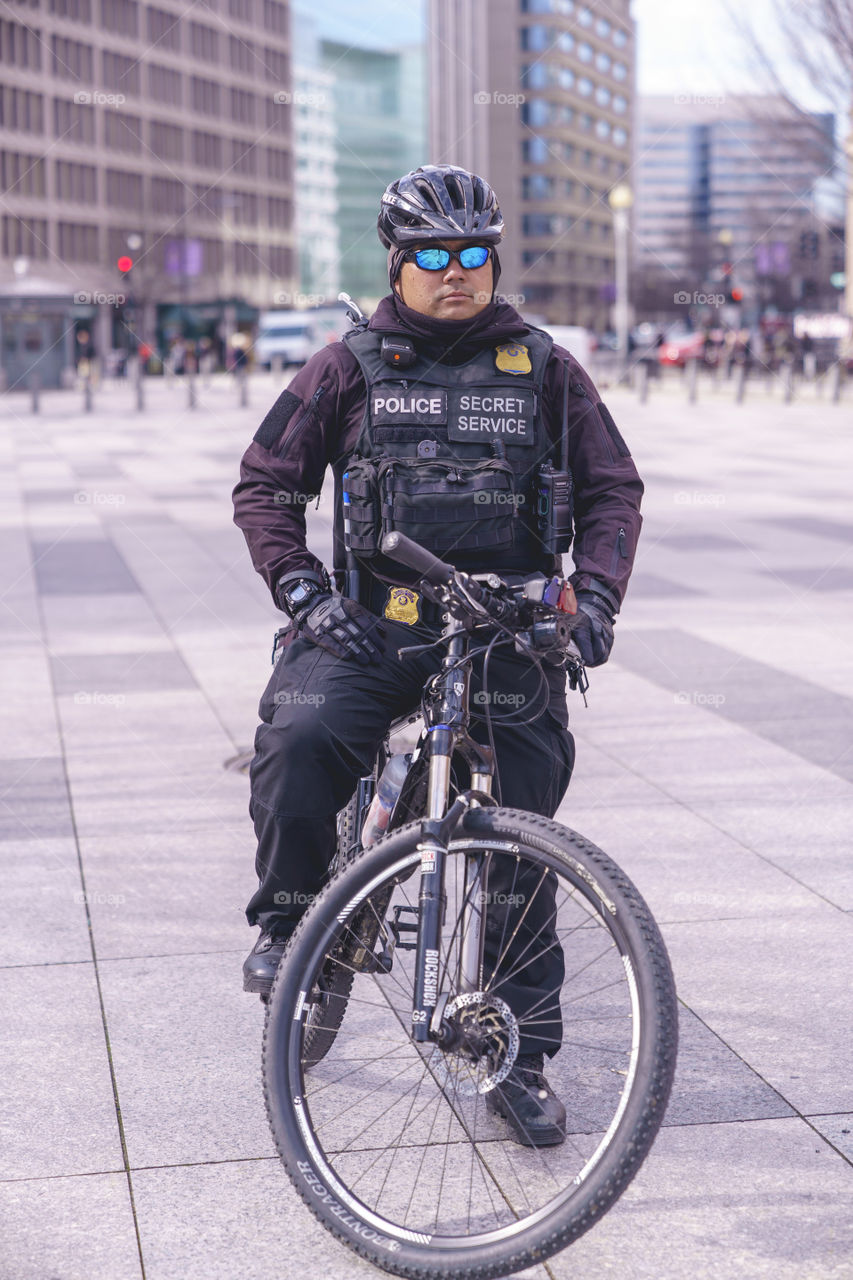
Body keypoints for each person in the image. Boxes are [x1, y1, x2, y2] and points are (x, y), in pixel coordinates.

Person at [232, 164, 643, 1146]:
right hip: (375, 620)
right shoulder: (345, 364)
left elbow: (611, 490)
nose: (454, 274)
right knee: (301, 736)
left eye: (470, 256)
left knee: (521, 840)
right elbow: (265, 486)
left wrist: (594, 604)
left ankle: (518, 1053)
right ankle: (289, 924)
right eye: (431, 257)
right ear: (399, 263)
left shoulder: (543, 367)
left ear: (492, 261)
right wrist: (303, 593)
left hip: (505, 628)